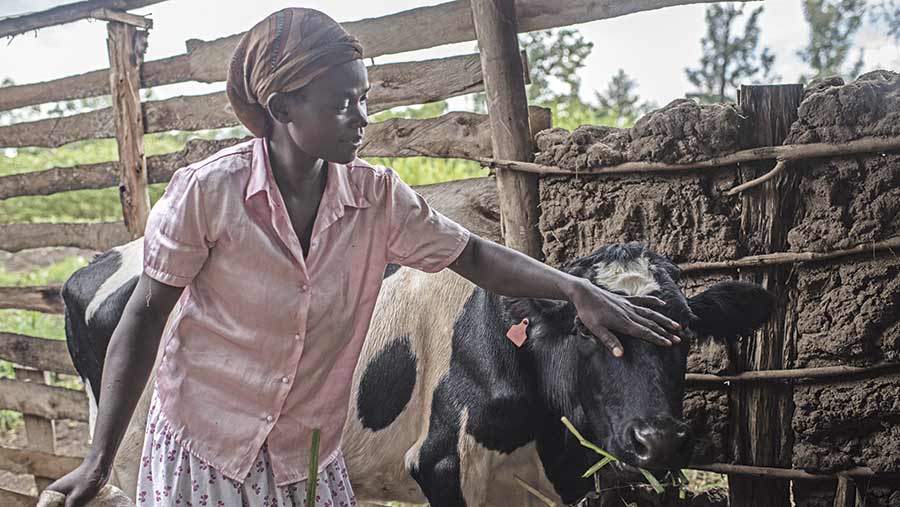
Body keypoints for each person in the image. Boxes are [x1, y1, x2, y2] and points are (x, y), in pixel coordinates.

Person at [46, 8, 683, 507]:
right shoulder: (208, 194)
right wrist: (98, 461)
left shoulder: (376, 198)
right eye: (343, 102)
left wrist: (576, 291)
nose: (363, 117)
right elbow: (145, 316)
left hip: (309, 459)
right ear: (283, 107)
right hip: (205, 451)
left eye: (365, 97)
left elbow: (475, 256)